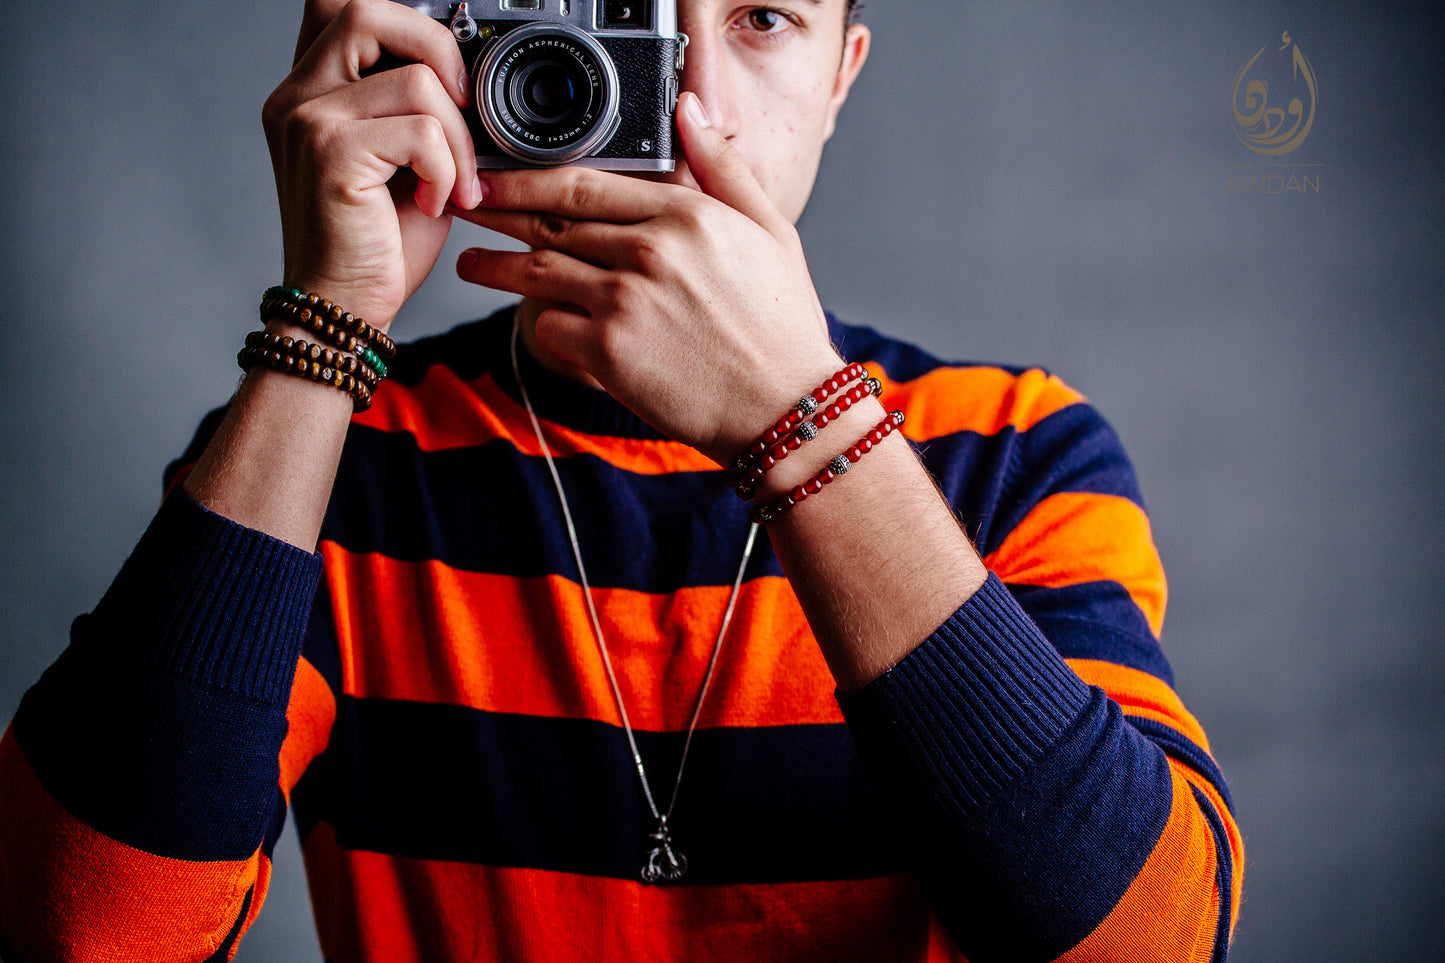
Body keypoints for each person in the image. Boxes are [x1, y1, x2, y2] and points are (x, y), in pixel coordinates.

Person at [0, 0, 1242, 960]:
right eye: (624, 15)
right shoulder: (335, 457)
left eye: (760, 18)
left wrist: (795, 426)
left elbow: (1153, 939)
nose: (683, 91)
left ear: (838, 78)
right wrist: (328, 323)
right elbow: (90, 934)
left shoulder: (1012, 448)